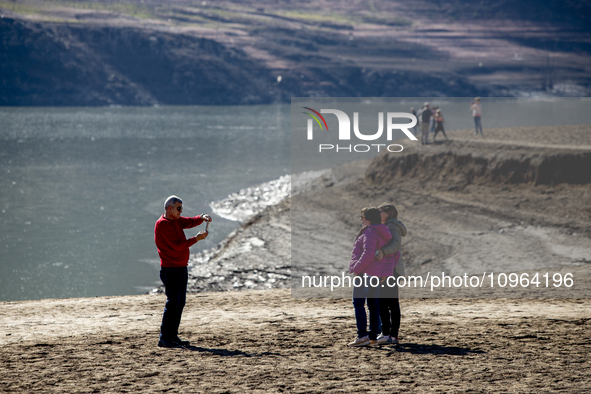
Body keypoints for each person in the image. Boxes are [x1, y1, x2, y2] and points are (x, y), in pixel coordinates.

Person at [154, 195, 212, 348]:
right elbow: (178, 245)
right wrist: (196, 239)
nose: (181, 211)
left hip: (180, 268)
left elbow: (189, 221)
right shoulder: (163, 225)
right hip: (170, 270)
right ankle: (165, 338)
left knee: (179, 303)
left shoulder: (176, 220)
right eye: (178, 208)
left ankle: (172, 337)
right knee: (173, 303)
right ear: (170, 208)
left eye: (181, 209)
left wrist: (201, 217)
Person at [348, 207, 397, 347]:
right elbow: (394, 254)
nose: (361, 219)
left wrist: (356, 269)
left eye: (362, 216)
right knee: (373, 306)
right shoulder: (384, 231)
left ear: (368, 219)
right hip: (376, 274)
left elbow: (368, 254)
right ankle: (373, 337)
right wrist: (386, 272)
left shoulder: (370, 232)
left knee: (358, 304)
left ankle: (362, 336)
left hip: (365, 273)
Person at [375, 203, 407, 345]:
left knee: (385, 302)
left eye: (379, 211)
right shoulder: (390, 224)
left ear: (388, 213)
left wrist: (382, 251)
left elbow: (396, 245)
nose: (378, 214)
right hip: (391, 268)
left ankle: (388, 334)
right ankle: (391, 335)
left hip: (391, 269)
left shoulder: (391, 226)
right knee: (389, 302)